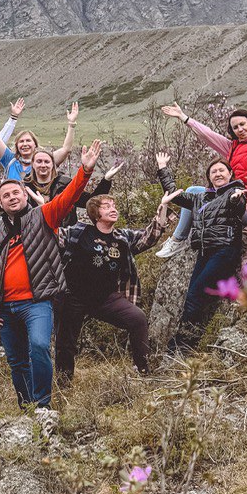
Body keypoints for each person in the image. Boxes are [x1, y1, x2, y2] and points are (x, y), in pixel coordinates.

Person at [0, 140, 102, 408]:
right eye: (6, 196)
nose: (12, 197)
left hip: (36, 301)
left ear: (26, 196)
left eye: (16, 193)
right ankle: (25, 405)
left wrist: (85, 171)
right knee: (16, 360)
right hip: (4, 307)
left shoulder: (43, 216)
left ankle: (42, 405)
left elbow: (68, 197)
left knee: (38, 347)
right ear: (0, 203)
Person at [56, 154, 175, 381]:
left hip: (106, 299)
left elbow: (148, 237)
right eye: (107, 206)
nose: (113, 209)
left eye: (114, 205)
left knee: (138, 318)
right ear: (95, 213)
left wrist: (163, 208)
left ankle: (143, 371)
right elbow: (51, 234)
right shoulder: (78, 232)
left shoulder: (122, 238)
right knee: (65, 343)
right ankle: (63, 385)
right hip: (73, 297)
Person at [155, 79, 247, 258]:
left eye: (242, 124)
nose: (239, 129)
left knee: (209, 200)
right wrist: (185, 118)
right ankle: (178, 240)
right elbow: (208, 135)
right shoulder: (232, 147)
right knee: (194, 192)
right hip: (230, 199)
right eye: (235, 127)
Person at [165, 158, 247, 354]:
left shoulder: (235, 192)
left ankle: (180, 347)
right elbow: (174, 195)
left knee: (195, 295)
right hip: (204, 252)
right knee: (192, 296)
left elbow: (238, 207)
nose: (218, 174)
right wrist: (163, 170)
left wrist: (237, 199)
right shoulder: (200, 198)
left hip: (224, 250)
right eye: (213, 172)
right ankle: (187, 343)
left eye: (221, 170)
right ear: (209, 178)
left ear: (230, 174)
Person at [0, 94, 78, 180]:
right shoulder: (10, 159)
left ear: (35, 144)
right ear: (17, 146)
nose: (25, 144)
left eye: (28, 141)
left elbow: (66, 149)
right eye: (21, 141)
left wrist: (72, 124)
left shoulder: (44, 161)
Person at [22, 146, 123, 229]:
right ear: (32, 164)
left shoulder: (64, 184)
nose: (43, 165)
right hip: (36, 235)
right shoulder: (25, 188)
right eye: (39, 161)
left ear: (53, 164)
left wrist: (106, 180)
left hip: (66, 236)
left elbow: (90, 201)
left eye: (47, 162)